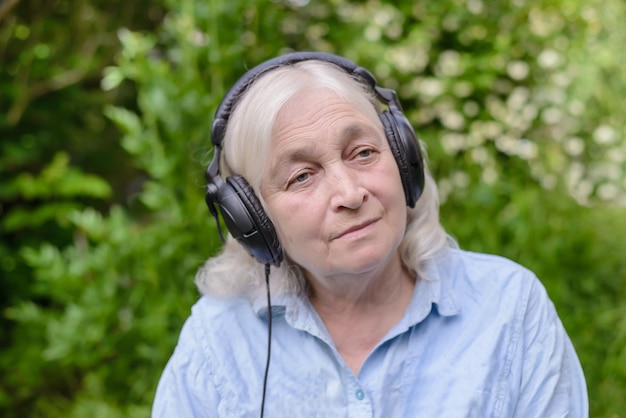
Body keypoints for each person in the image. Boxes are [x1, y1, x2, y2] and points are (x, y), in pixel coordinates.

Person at [152, 51, 588, 417]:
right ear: (251, 219)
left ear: (404, 160)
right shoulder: (218, 341)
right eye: (302, 177)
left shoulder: (509, 307)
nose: (349, 193)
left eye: (363, 152)